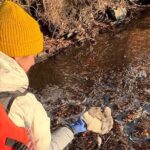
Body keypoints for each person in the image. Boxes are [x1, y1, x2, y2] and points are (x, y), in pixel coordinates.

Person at [0, 0, 87, 149]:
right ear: (16, 55)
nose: (34, 62)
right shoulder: (25, 105)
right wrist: (71, 130)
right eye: (33, 55)